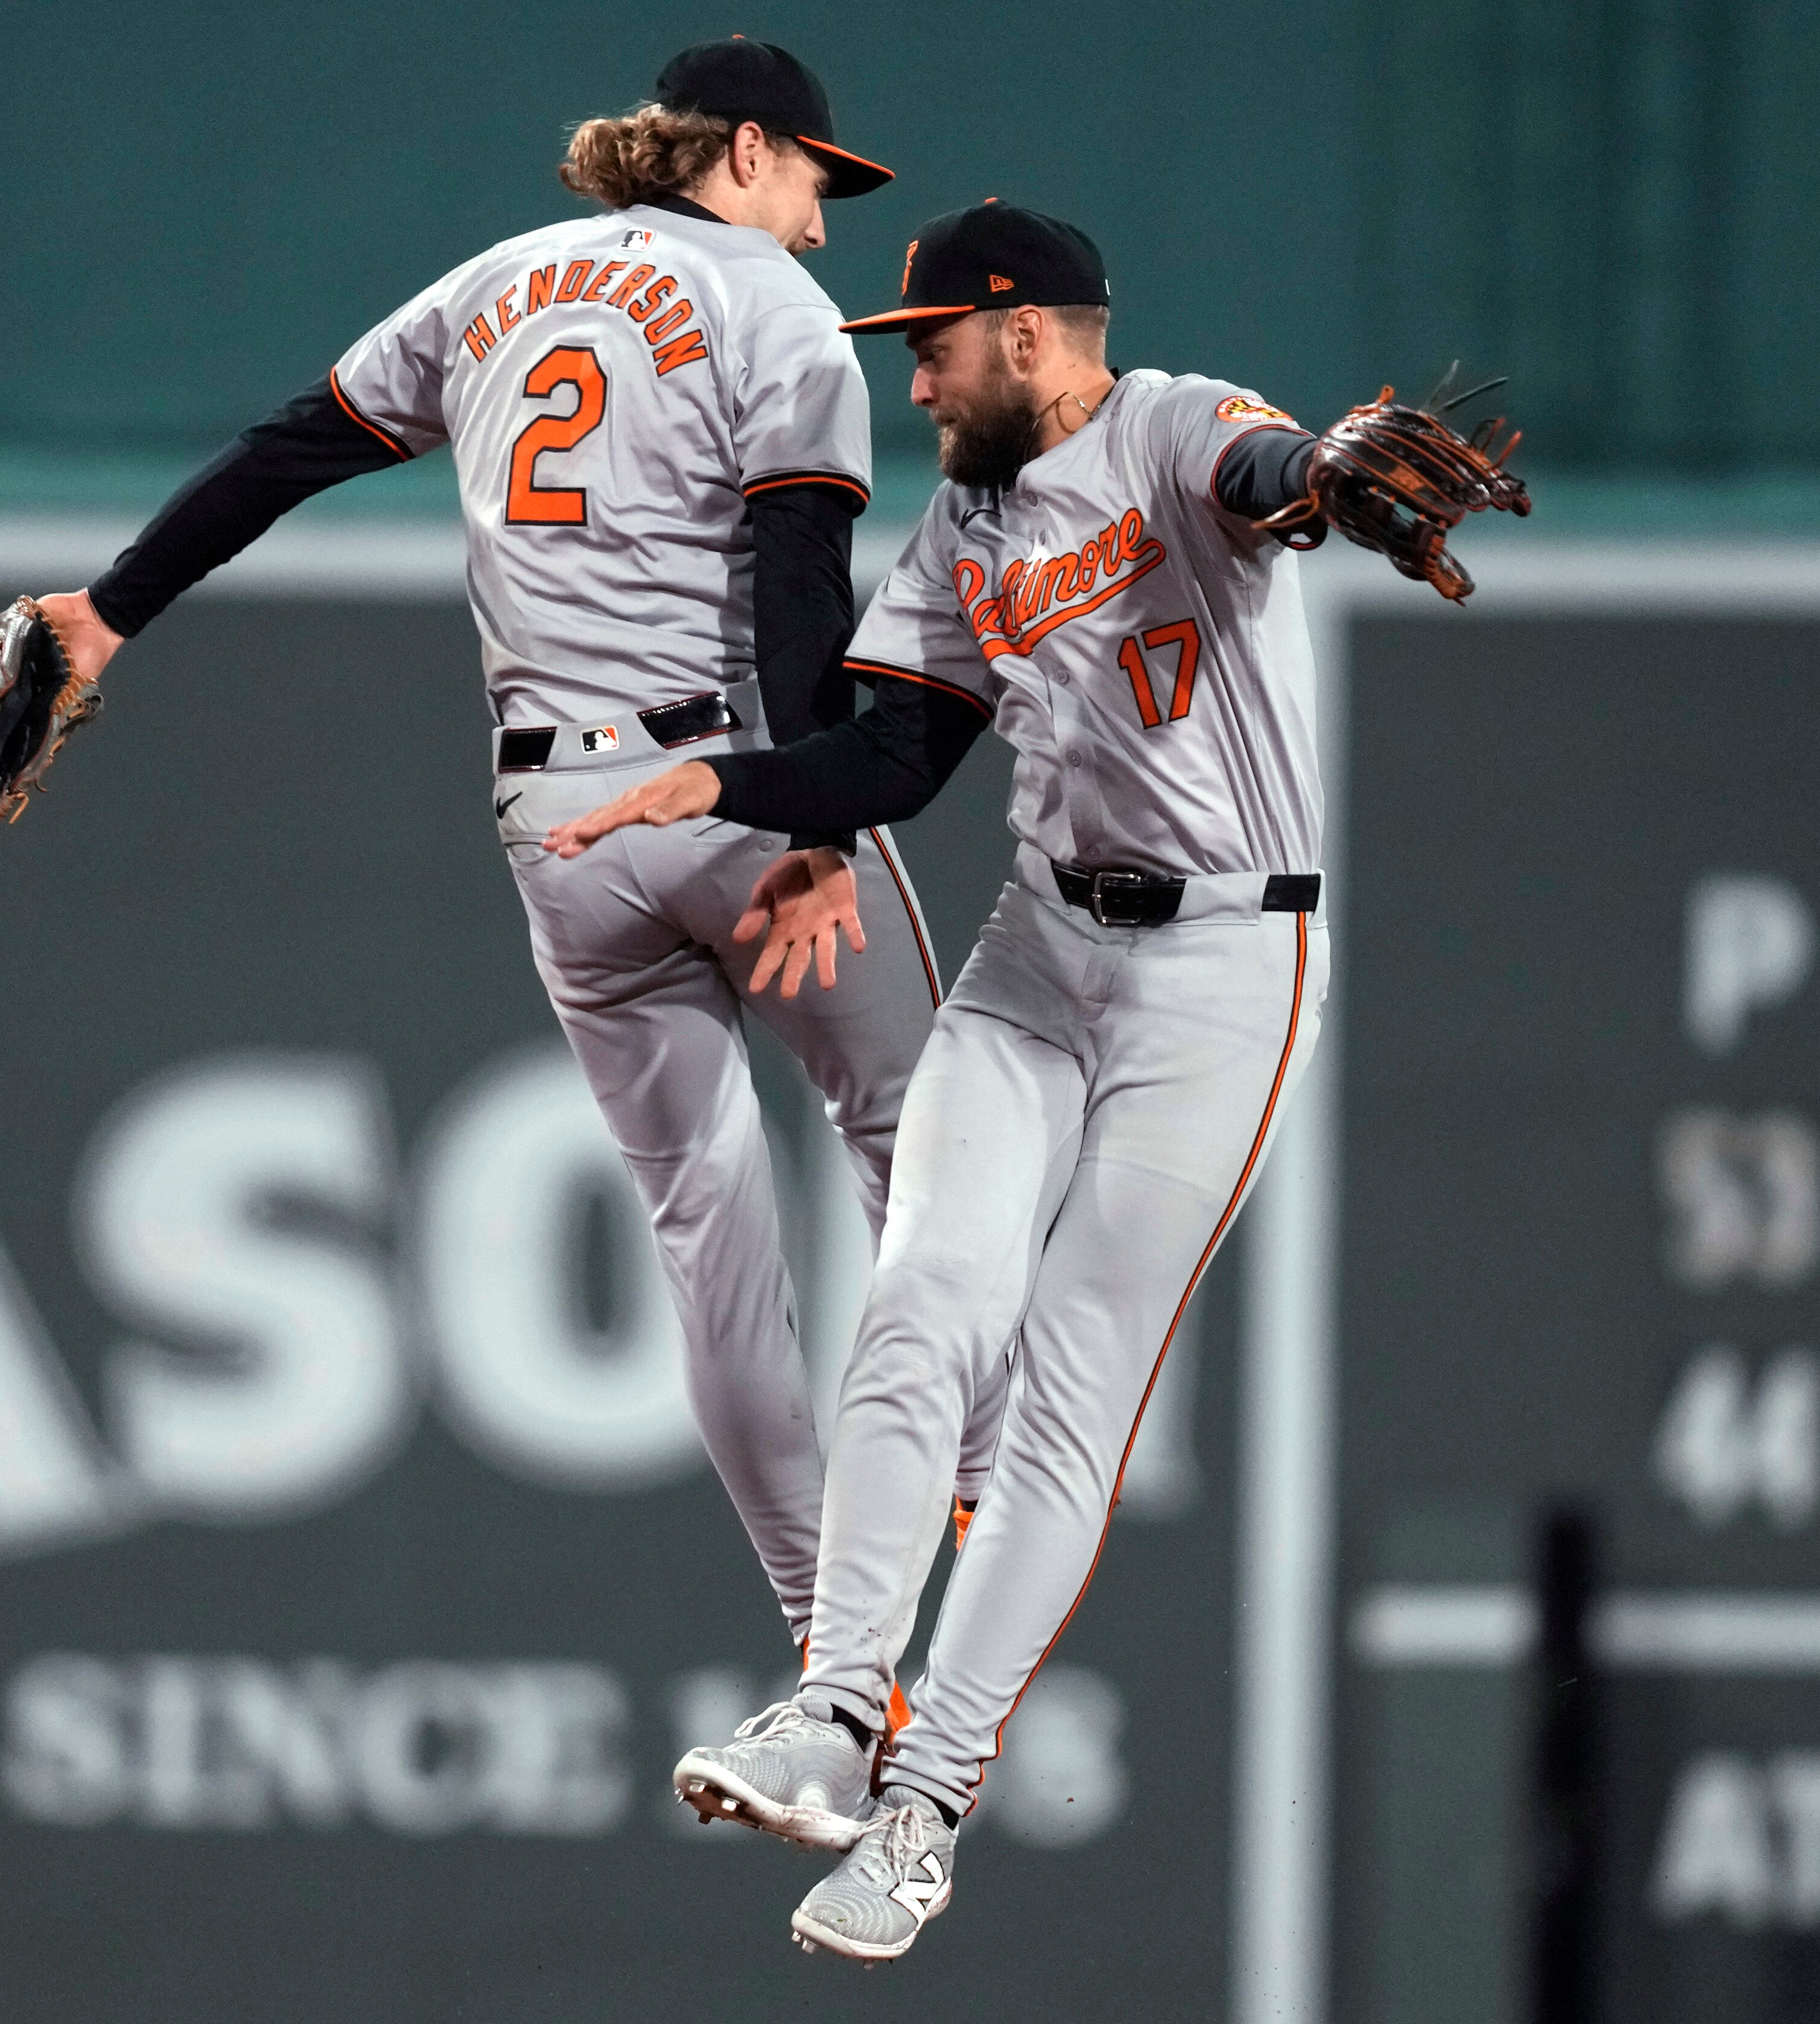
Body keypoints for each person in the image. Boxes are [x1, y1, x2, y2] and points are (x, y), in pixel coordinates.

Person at [27, 40, 968, 1699]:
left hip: (561, 837)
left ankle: (833, 1643)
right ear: (744, 151)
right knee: (930, 1144)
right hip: (736, 787)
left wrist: (107, 615)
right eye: (820, 173)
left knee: (707, 1234)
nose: (826, 215)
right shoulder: (775, 313)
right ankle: (977, 1489)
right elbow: (801, 582)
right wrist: (820, 827)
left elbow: (283, 454)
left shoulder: (496, 283)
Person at [558, 200, 1349, 1962]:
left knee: (1072, 1388)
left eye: (930, 344)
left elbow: (1271, 477)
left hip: (1223, 971)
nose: (911, 379)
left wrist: (1334, 475)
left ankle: (929, 1814)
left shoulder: (1166, 421)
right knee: (922, 1298)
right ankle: (838, 1714)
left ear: (1029, 334)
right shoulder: (968, 527)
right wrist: (731, 793)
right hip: (1040, 952)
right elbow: (895, 755)